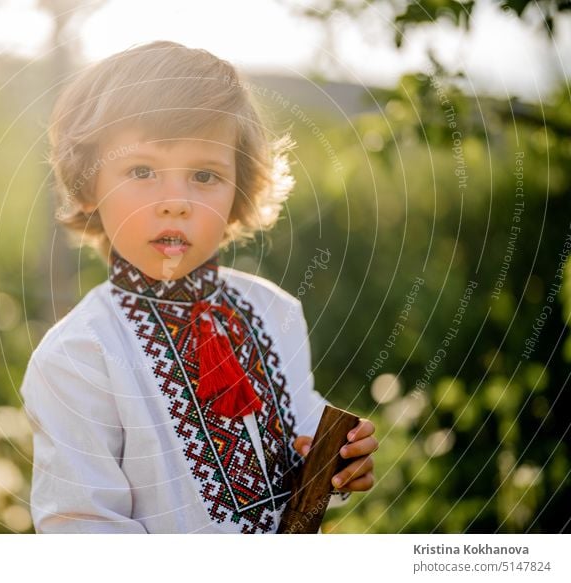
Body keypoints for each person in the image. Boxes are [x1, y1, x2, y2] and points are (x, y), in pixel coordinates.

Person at [20, 40, 378, 533]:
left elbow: (299, 440)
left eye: (204, 175)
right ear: (87, 186)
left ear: (239, 190)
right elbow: (83, 527)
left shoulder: (275, 311)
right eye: (142, 171)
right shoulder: (79, 356)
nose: (176, 202)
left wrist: (338, 460)